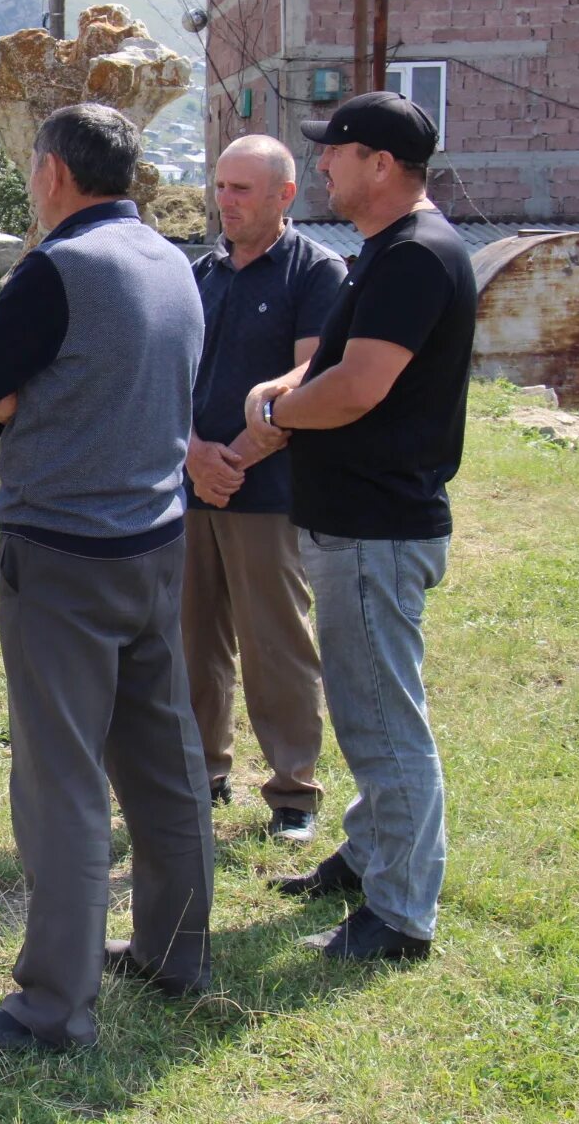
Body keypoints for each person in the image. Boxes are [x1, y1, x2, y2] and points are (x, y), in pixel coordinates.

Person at [0, 104, 211, 1051]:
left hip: (63, 555)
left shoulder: (60, 269)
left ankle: (53, 1008)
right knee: (164, 762)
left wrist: (24, 406)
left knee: (64, 784)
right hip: (158, 543)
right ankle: (176, 953)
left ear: (50, 174)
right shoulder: (174, 260)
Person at [241, 90, 476, 963]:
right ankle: (370, 853)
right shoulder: (387, 251)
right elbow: (325, 368)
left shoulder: (415, 255)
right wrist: (282, 394)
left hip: (377, 527)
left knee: (383, 721)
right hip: (356, 520)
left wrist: (278, 417)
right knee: (363, 705)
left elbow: (358, 386)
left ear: (381, 164)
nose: (325, 166)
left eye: (335, 151)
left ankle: (401, 915)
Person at [184, 135, 346, 844]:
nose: (226, 202)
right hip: (189, 487)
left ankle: (292, 794)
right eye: (220, 187)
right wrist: (194, 458)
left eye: (242, 190)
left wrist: (237, 459)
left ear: (285, 196)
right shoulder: (201, 274)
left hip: (268, 490)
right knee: (190, 641)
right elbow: (166, 376)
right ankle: (199, 775)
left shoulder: (316, 273)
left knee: (276, 644)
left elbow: (311, 378)